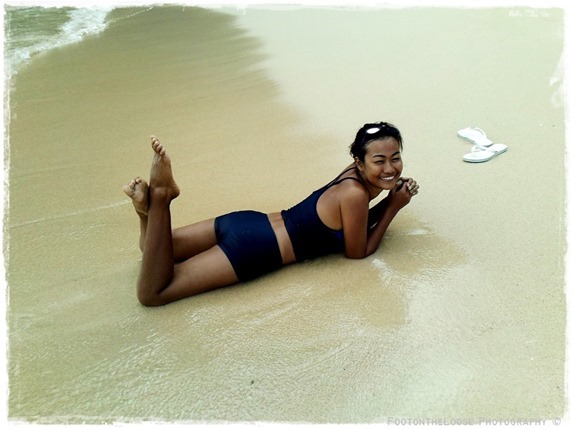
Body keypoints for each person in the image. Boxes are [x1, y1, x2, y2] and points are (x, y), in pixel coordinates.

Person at [123, 122, 419, 307]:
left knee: (153, 249)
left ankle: (146, 212)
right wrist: (393, 207)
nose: (389, 168)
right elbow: (358, 252)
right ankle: (161, 198)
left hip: (248, 221)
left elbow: (353, 222)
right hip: (256, 248)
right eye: (379, 160)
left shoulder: (351, 176)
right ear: (360, 162)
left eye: (395, 158)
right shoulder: (355, 195)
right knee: (153, 294)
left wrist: (388, 200)